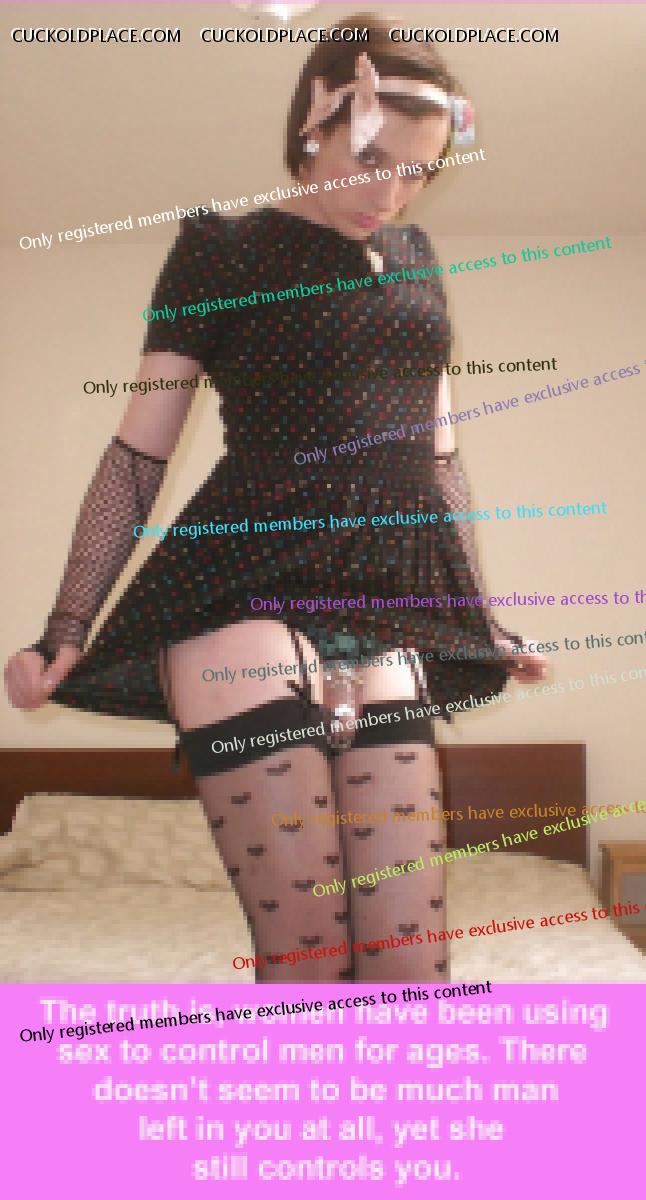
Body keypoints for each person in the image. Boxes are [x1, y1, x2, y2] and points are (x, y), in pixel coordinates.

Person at [5, 15, 545, 983]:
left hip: (384, 605)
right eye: (371, 159)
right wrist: (67, 626)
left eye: (419, 171)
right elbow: (138, 455)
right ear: (313, 121)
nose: (391, 193)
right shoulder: (223, 250)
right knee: (308, 965)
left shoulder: (418, 259)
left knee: (408, 972)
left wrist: (482, 619)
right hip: (241, 594)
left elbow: (439, 462)